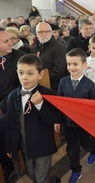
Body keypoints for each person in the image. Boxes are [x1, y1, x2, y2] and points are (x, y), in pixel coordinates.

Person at [5, 54, 58, 182]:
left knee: (41, 178)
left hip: (42, 146)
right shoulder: (13, 96)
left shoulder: (48, 94)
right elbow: (10, 122)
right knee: (31, 175)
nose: (25, 77)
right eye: (21, 73)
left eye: (30, 73)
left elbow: (53, 119)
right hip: (25, 146)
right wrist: (9, 146)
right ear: (17, 73)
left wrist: (40, 104)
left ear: (40, 74)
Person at [57, 48, 95, 183]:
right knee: (72, 148)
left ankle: (94, 149)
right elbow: (59, 102)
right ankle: (76, 170)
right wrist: (57, 120)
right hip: (68, 123)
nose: (71, 67)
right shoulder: (63, 82)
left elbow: (93, 104)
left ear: (84, 65)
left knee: (86, 143)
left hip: (83, 123)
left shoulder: (89, 84)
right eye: (69, 64)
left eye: (75, 64)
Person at [0, 27, 25, 181]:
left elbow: (22, 88)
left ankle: (6, 164)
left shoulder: (20, 58)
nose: (11, 43)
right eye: (6, 41)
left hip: (14, 104)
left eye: (11, 39)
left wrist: (2, 107)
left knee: (2, 125)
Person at [31, 22, 67, 90]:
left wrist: (39, 80)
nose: (43, 34)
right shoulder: (33, 49)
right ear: (36, 34)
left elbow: (58, 70)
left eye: (46, 31)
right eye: (40, 32)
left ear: (51, 32)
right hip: (35, 84)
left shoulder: (60, 48)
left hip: (52, 86)